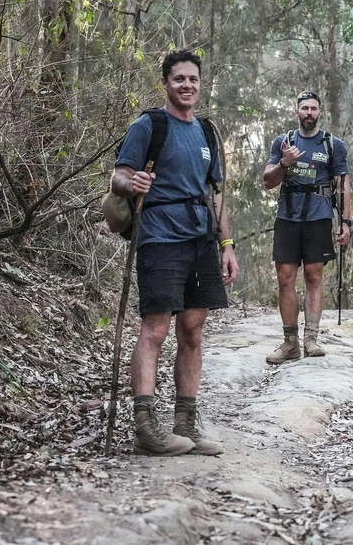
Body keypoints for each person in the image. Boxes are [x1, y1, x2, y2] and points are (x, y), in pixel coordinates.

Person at [111, 49, 240, 456]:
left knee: (193, 331)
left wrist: (226, 244)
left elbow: (214, 194)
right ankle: (146, 427)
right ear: (165, 82)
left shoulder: (206, 133)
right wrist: (131, 185)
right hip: (160, 236)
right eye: (179, 79)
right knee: (156, 329)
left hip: (201, 238)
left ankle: (186, 424)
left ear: (201, 85)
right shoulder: (150, 124)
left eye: (193, 79)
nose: (187, 85)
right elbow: (119, 174)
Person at [263, 91, 352, 363]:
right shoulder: (283, 142)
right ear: (297, 112)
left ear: (320, 112)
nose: (309, 113)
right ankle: (290, 342)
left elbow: (343, 184)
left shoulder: (333, 145)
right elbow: (267, 180)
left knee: (314, 277)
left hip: (319, 217)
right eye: (305, 108)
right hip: (288, 218)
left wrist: (346, 222)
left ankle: (311, 339)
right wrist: (283, 163)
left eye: (314, 108)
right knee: (285, 277)